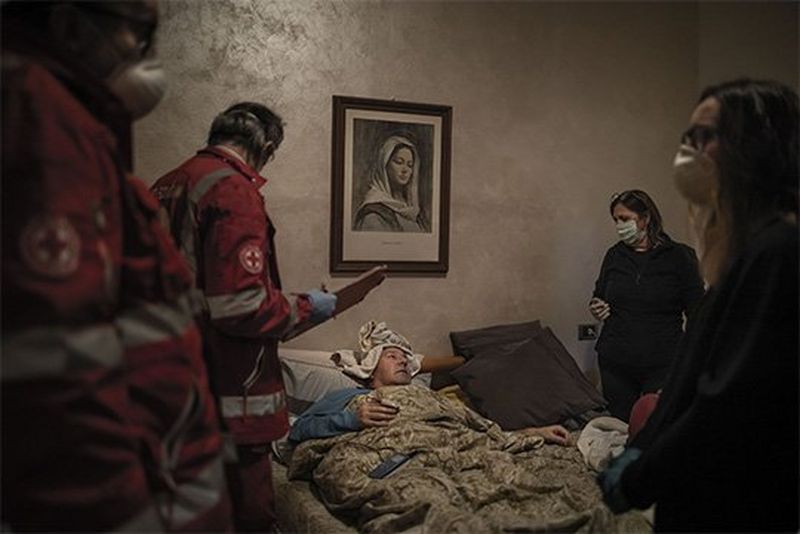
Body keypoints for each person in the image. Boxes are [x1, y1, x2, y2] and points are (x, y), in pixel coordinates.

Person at [1, 1, 231, 530]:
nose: (149, 56)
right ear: (69, 24)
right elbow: (55, 367)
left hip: (161, 473)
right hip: (131, 497)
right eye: (139, 35)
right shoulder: (38, 116)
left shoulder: (84, 128)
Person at [598, 78, 799, 532]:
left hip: (737, 507)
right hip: (690, 500)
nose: (687, 150)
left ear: (756, 148)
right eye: (686, 137)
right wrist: (641, 447)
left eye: (704, 136)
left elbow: (726, 407)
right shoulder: (738, 260)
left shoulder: (780, 253)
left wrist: (637, 478)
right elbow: (689, 389)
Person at [150, 102, 337, 531]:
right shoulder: (233, 191)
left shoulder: (165, 185)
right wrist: (309, 306)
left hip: (171, 388)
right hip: (229, 394)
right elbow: (239, 305)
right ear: (266, 147)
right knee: (248, 519)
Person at [289, 321, 571, 446]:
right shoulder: (350, 398)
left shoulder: (432, 398)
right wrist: (350, 420)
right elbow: (299, 429)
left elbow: (480, 432)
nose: (402, 362)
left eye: (405, 359)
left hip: (454, 455)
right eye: (391, 356)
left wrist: (533, 432)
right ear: (371, 370)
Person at [589, 189, 704, 421]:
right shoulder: (614, 255)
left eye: (625, 219)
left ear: (646, 218)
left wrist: (694, 358)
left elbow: (698, 311)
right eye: (615, 220)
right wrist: (596, 306)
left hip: (663, 361)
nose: (619, 225)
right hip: (616, 360)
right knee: (620, 427)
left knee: (658, 425)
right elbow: (599, 294)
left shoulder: (680, 256)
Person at [353, 134, 430, 233]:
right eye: (399, 162)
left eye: (410, 165)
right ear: (385, 165)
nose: (405, 170)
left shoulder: (413, 211)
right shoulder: (373, 213)